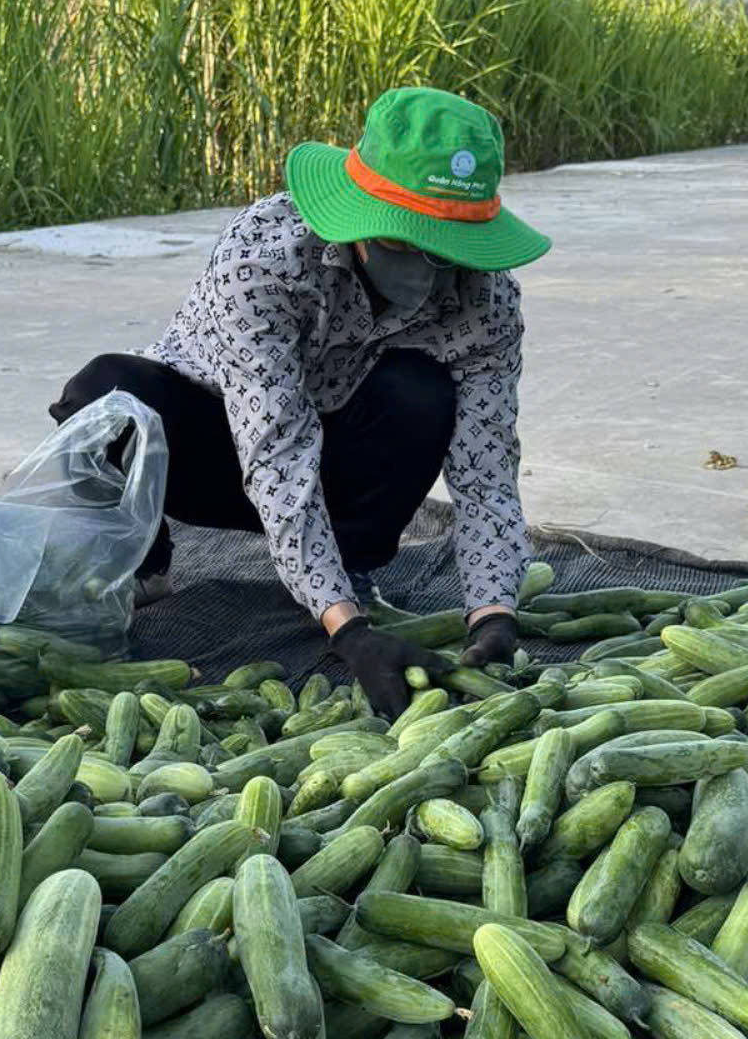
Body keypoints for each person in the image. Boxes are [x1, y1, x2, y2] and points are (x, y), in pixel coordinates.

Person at [51, 85, 550, 716]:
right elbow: (277, 452)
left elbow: (487, 472)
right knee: (107, 395)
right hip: (217, 450)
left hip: (345, 455)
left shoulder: (487, 301)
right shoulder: (266, 260)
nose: (425, 266)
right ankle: (144, 564)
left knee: (421, 392)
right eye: (402, 242)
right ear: (359, 217)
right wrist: (352, 634)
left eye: (446, 249)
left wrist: (494, 613)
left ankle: (349, 568)